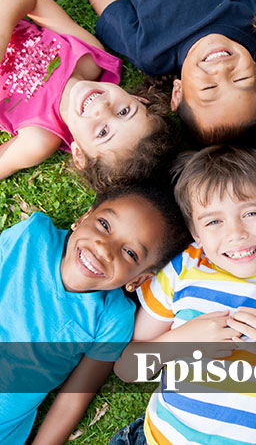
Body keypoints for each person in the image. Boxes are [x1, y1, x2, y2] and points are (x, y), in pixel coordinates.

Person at [112, 145, 256, 445]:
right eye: (214, 221)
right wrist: (184, 339)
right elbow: (126, 367)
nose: (236, 233)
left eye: (250, 213)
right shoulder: (186, 267)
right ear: (195, 233)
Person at [0, 184, 192, 445]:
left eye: (130, 253)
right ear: (83, 218)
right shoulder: (32, 237)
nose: (104, 249)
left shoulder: (113, 318)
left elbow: (73, 398)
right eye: (104, 224)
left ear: (138, 280)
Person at [57, 0, 256, 144]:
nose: (222, 70)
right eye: (241, 79)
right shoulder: (255, 16)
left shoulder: (150, 52)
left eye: (209, 87)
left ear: (178, 93)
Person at [0, 0, 176, 190]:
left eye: (103, 133)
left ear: (79, 154)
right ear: (139, 98)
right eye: (124, 111)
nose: (102, 109)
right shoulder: (87, 56)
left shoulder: (39, 138)